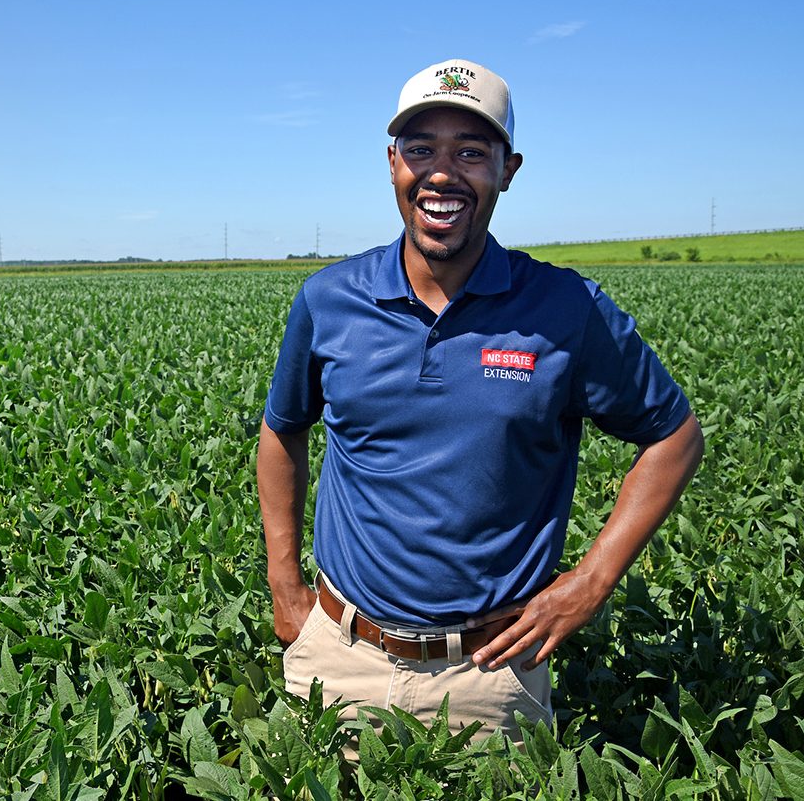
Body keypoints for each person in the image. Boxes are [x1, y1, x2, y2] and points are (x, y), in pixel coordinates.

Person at [257, 58, 704, 743]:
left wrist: (590, 584)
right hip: (338, 660)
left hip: (491, 677)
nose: (442, 173)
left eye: (471, 152)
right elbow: (282, 430)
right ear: (392, 163)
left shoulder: (566, 309)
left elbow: (674, 435)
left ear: (508, 169)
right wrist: (286, 587)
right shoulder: (328, 300)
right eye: (421, 149)